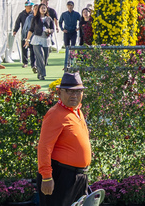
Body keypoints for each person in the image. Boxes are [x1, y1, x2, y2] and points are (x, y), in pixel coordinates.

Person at [37, 73, 91, 206]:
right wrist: (47, 177)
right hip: (61, 175)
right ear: (60, 92)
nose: (74, 95)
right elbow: (44, 147)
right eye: (69, 91)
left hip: (78, 176)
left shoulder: (77, 111)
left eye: (78, 91)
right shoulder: (55, 114)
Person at [27, 0, 56, 80]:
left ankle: (40, 72)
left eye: (44, 8)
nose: (43, 9)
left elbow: (52, 29)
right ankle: (41, 74)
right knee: (40, 56)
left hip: (46, 40)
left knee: (45, 59)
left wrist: (49, 31)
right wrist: (27, 40)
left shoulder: (49, 19)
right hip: (37, 40)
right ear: (39, 9)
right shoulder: (35, 19)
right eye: (42, 8)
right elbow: (31, 29)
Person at [13, 1, 34, 66]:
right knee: (24, 48)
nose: (30, 7)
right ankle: (25, 62)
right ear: (25, 7)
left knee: (33, 48)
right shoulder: (22, 14)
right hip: (24, 33)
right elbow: (17, 23)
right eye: (28, 6)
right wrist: (15, 30)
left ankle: (33, 63)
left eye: (31, 6)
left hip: (33, 34)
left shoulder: (34, 14)